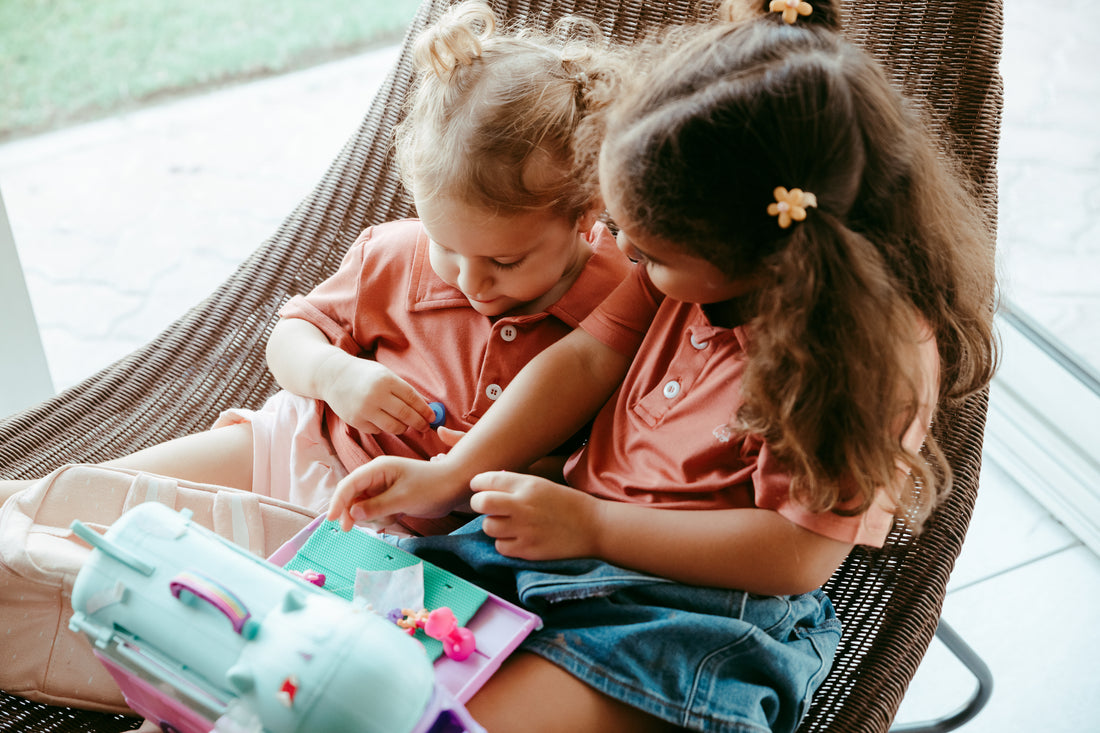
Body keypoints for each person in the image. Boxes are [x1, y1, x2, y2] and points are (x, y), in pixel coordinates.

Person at [325, 1, 999, 731]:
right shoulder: (689, 262)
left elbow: (798, 556)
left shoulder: (866, 364)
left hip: (700, 615)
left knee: (434, 717)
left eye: (648, 255)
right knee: (350, 663)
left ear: (761, 253)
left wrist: (595, 526)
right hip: (560, 557)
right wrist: (451, 473)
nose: (625, 256)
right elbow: (583, 360)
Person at [0, 0, 630, 519]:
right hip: (297, 448)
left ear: (586, 211)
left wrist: (540, 469)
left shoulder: (622, 303)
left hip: (407, 542)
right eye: (448, 248)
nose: (470, 280)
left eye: (505, 260)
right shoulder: (396, 254)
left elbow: (614, 447)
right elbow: (289, 337)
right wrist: (339, 379)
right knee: (68, 501)